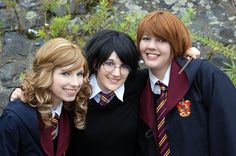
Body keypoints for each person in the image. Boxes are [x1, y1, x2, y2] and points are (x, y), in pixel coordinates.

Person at [9, 30, 200, 156]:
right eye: (109, 63)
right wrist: (19, 91)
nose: (116, 73)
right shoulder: (75, 90)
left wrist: (183, 54)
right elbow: (49, 85)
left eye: (124, 66)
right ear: (95, 63)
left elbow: (162, 67)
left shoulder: (138, 83)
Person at [136, 11, 236, 156]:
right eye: (146, 38)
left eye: (162, 40)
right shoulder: (138, 86)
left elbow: (228, 132)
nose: (151, 46)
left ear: (175, 43)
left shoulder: (205, 76)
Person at [0, 38, 91, 156]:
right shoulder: (14, 117)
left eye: (79, 74)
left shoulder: (69, 110)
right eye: (65, 73)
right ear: (46, 73)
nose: (75, 83)